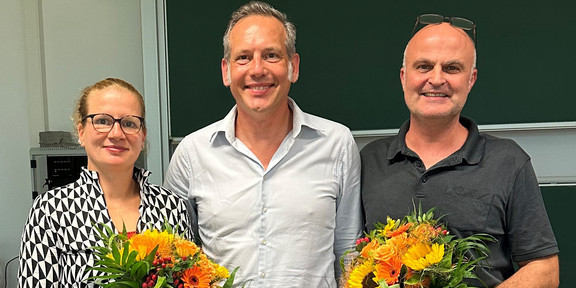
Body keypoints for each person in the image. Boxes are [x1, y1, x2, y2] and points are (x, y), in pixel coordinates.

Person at [163, 1, 362, 287]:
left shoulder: (337, 144)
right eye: (243, 57)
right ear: (226, 71)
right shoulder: (191, 154)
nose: (257, 70)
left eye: (271, 55)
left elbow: (349, 254)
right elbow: (176, 263)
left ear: (293, 67)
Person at [361, 15, 560, 287]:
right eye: (424, 66)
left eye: (452, 68)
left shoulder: (508, 161)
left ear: (471, 79)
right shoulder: (367, 161)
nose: (436, 78)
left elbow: (545, 269)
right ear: (404, 76)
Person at [18, 78, 193, 287]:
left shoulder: (171, 207)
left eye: (129, 123)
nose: (116, 133)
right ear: (81, 132)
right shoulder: (50, 211)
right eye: (102, 121)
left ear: (143, 136)